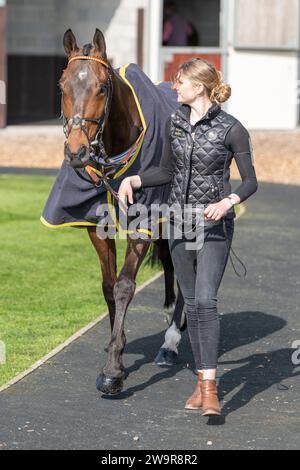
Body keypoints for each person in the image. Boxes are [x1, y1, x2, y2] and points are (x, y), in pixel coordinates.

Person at [118, 58, 258, 416]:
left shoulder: (232, 128)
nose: (173, 86)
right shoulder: (175, 122)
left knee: (206, 301)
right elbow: (165, 170)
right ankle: (202, 382)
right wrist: (134, 179)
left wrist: (228, 201)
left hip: (214, 227)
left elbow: (250, 181)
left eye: (179, 82)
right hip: (178, 226)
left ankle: (210, 390)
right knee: (193, 304)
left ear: (199, 87)